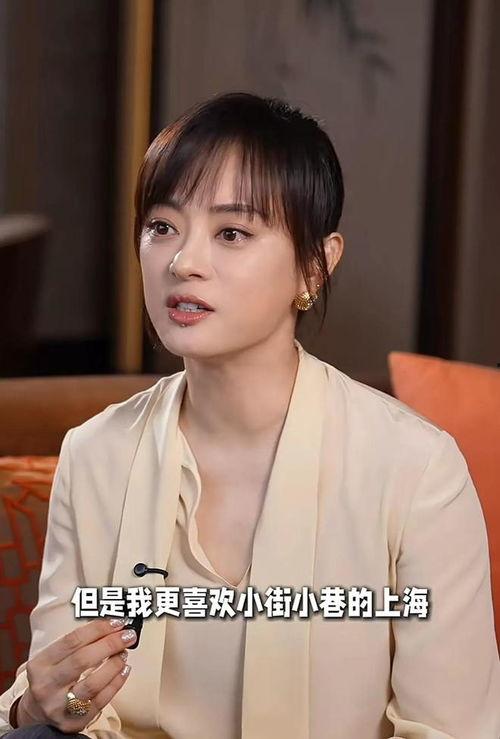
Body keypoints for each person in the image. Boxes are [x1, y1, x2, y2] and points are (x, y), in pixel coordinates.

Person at [1, 91, 499, 739]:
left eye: (231, 233)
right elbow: (60, 702)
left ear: (315, 265)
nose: (183, 262)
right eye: (162, 227)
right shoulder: (96, 452)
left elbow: (451, 729)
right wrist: (43, 707)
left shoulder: (416, 470)